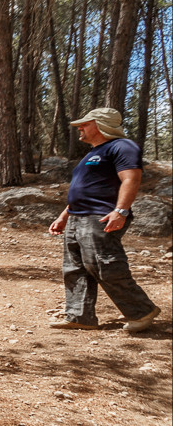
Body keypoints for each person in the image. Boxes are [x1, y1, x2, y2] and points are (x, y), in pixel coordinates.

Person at [47, 107, 160, 333]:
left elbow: (131, 179)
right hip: (77, 217)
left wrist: (121, 211)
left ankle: (141, 311)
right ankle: (80, 316)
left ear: (101, 124)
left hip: (101, 217)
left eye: (85, 124)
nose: (80, 127)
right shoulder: (91, 154)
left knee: (103, 265)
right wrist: (63, 216)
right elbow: (86, 190)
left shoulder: (122, 146)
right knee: (74, 269)